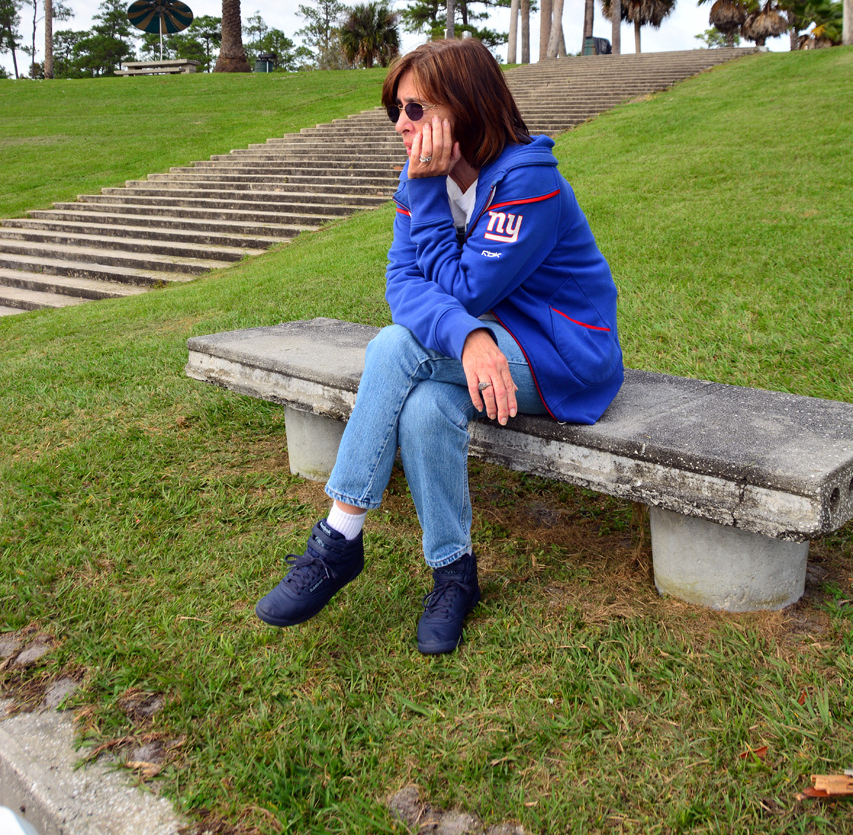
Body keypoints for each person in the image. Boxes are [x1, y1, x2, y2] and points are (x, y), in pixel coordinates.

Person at [255, 39, 623, 653]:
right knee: (426, 406)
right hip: (486, 351)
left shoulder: (530, 183)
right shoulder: (419, 180)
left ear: (465, 105)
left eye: (416, 110)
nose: (401, 125)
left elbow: (468, 286)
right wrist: (471, 337)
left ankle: (338, 540)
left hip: (562, 360)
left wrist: (469, 325)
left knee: (396, 349)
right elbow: (402, 285)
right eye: (396, 111)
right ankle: (454, 574)